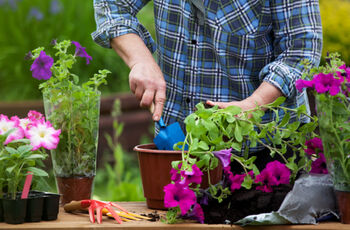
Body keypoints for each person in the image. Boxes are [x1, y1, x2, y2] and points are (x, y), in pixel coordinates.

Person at [92, 0, 322, 154]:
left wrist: (252, 106)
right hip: (176, 142)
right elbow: (112, 5)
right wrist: (140, 60)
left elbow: (301, 50)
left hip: (264, 148)